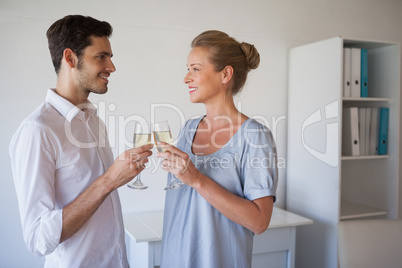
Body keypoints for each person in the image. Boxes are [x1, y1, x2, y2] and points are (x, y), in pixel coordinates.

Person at [9, 15, 153, 267]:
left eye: (110, 57)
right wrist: (109, 180)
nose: (112, 66)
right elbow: (37, 239)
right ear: (70, 58)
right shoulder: (38, 131)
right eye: (101, 56)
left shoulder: (93, 120)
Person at [157, 30, 278, 267]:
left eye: (195, 68)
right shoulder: (189, 129)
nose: (186, 78)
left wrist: (197, 179)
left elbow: (260, 221)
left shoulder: (255, 136)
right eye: (187, 68)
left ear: (225, 74)